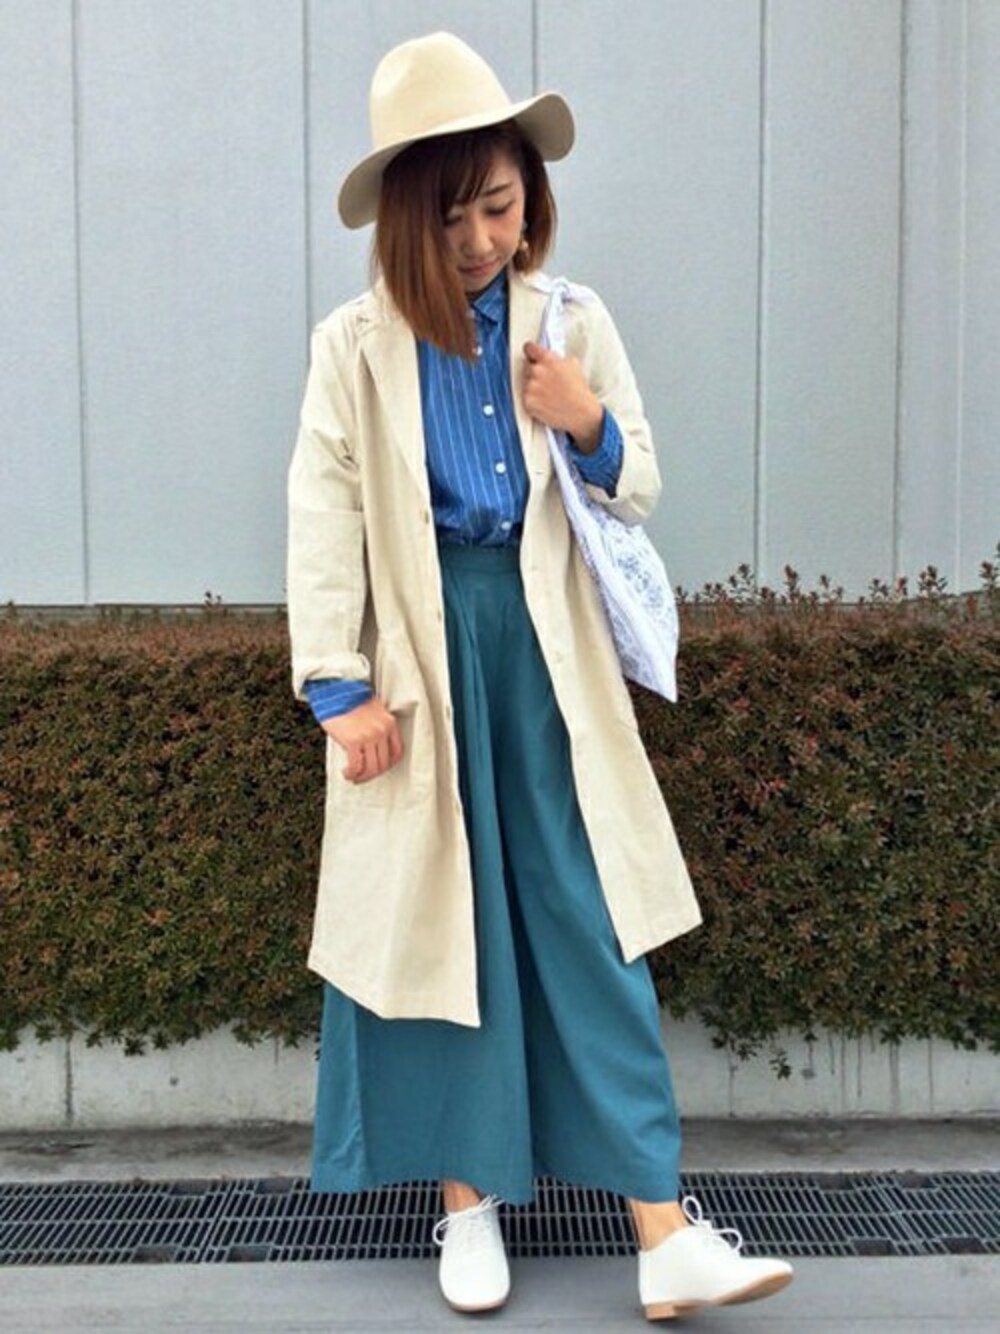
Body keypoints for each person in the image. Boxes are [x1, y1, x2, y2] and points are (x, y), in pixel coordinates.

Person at [285, 30, 794, 1322]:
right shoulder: (354, 345)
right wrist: (338, 683)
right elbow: (324, 512)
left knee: (587, 917)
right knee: (444, 926)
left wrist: (586, 417)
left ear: (532, 196)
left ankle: (663, 1230)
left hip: (547, 647)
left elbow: (638, 483)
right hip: (422, 659)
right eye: (451, 213)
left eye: (500, 206)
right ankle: (468, 1209)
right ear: (406, 216)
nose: (477, 239)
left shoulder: (572, 322)